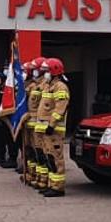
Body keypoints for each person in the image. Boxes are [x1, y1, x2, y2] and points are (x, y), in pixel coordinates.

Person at [33, 58, 71, 197]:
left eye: (47, 71)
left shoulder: (61, 87)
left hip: (54, 130)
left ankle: (58, 188)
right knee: (48, 157)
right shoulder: (48, 85)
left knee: (55, 158)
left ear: (54, 72)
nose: (44, 74)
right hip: (45, 129)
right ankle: (51, 184)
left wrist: (51, 125)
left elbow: (60, 109)